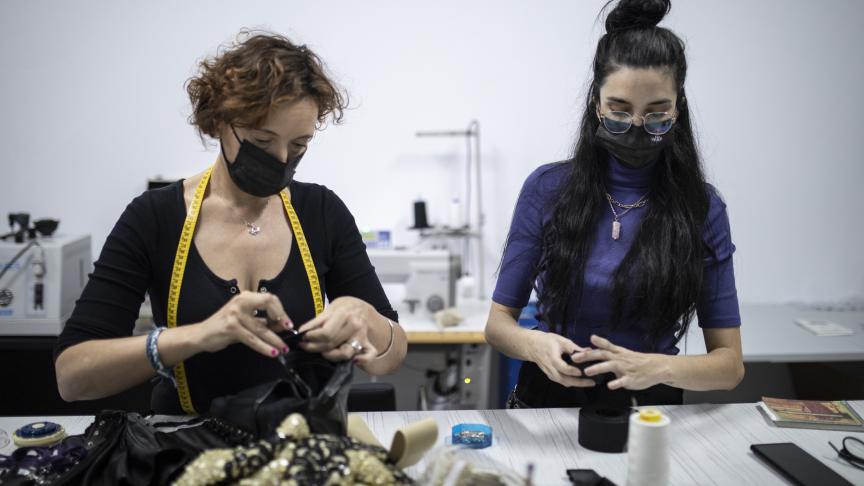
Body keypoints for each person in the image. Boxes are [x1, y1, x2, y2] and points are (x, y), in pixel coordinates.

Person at [54, 32, 407, 414]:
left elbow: (392, 354)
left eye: (299, 145)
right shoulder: (154, 218)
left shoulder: (321, 212)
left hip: (297, 443)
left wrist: (366, 319)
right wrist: (199, 335)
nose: (281, 159)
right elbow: (72, 377)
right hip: (184, 440)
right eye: (262, 141)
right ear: (220, 122)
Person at [485, 0, 744, 408]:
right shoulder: (547, 189)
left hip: (650, 412)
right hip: (548, 405)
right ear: (596, 104)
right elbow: (498, 326)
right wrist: (535, 345)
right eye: (619, 112)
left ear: (678, 109)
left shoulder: (701, 207)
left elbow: (729, 366)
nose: (637, 126)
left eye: (657, 114)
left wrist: (655, 367)